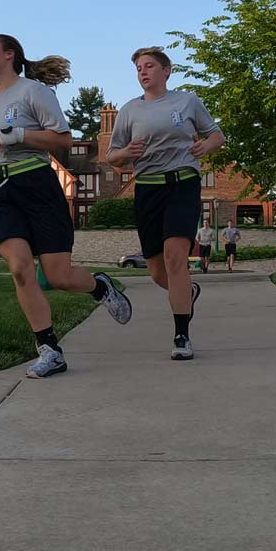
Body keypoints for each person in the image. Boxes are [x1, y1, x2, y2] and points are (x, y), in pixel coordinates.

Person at [0, 33, 132, 379]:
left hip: (37, 187)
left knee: (58, 276)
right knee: (20, 268)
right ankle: (50, 349)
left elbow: (63, 140)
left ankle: (100, 287)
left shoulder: (33, 92)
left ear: (10, 54)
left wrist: (20, 135)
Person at [109, 46, 225, 361]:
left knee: (176, 259)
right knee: (158, 272)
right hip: (147, 189)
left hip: (182, 184)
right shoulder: (129, 111)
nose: (142, 72)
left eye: (148, 66)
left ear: (166, 70)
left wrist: (205, 146)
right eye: (138, 68)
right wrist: (127, 153)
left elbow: (217, 135)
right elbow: (112, 157)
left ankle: (181, 336)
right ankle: (188, 293)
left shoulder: (187, 101)